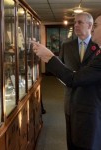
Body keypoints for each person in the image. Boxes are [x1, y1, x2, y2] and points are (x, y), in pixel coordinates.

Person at [31, 14, 101, 150]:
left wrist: (48, 56)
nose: (93, 30)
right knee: (73, 140)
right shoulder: (67, 46)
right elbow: (65, 72)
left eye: (96, 26)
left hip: (91, 109)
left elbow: (73, 78)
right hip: (73, 102)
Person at [59, 12, 98, 150]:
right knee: (71, 136)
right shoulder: (66, 46)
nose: (76, 25)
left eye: (80, 22)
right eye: (74, 22)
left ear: (90, 25)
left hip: (91, 101)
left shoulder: (98, 45)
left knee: (91, 138)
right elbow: (61, 69)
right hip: (71, 98)